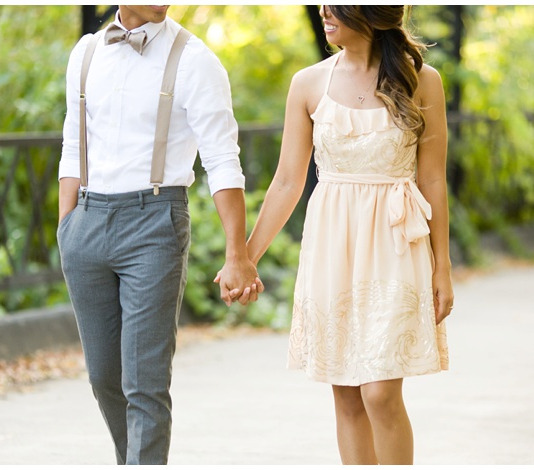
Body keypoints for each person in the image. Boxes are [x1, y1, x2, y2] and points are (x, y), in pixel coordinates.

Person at [228, 5, 453, 465]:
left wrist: (442, 264)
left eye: (336, 6)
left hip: (396, 244)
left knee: (380, 393)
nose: (323, 12)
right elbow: (288, 181)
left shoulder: (421, 80)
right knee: (348, 397)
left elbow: (432, 179)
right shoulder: (308, 83)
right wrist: (245, 258)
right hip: (333, 246)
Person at [56, 5, 261, 465]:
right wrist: (66, 227)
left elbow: (222, 159)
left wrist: (237, 253)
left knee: (144, 382)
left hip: (154, 222)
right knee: (103, 377)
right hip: (86, 223)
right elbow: (73, 144)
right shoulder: (86, 52)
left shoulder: (195, 59)